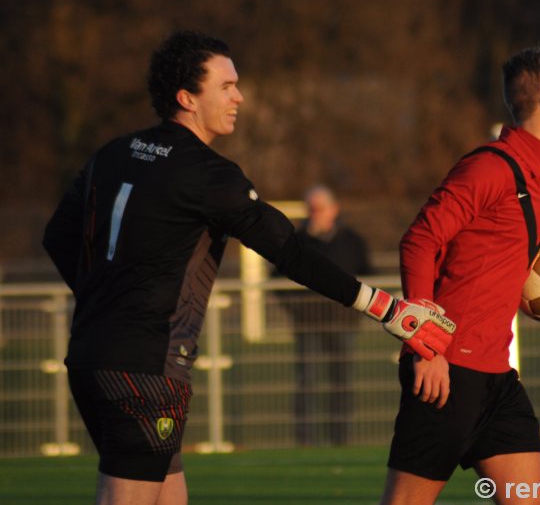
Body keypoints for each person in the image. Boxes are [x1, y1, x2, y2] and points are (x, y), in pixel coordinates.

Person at [41, 30, 455, 505]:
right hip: (147, 366)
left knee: (169, 494)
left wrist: (104, 304)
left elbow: (57, 237)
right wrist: (385, 308)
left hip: (91, 353)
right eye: (225, 86)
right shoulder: (209, 174)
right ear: (186, 98)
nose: (239, 96)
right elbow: (291, 253)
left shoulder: (112, 152)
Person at [380, 45, 540, 505]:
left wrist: (536, 300)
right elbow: (419, 240)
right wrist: (426, 344)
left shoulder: (535, 181)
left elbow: (476, 268)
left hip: (497, 379)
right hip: (448, 374)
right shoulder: (489, 168)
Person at [289, 185, 372, 446]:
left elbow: (370, 275)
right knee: (308, 383)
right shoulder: (296, 241)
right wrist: (299, 310)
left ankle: (341, 440)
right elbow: (278, 282)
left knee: (342, 383)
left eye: (321, 208)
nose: (316, 214)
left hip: (343, 323)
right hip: (309, 325)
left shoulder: (352, 240)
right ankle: (306, 441)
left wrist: (357, 309)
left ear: (334, 209)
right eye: (311, 209)